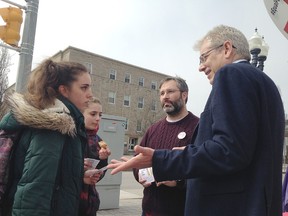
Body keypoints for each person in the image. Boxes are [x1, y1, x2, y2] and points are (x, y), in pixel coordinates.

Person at [108, 25, 285, 216]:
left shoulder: (231, 75)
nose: (200, 67)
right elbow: (243, 146)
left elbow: (229, 150)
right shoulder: (267, 84)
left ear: (227, 49)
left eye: (204, 57)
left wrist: (160, 159)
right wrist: (194, 150)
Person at [0, 59, 94, 216]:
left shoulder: (65, 124)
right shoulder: (53, 128)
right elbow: (34, 192)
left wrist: (79, 176)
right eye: (84, 88)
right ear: (64, 90)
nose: (90, 94)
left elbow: (54, 180)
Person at [133, 77, 199, 216]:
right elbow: (137, 163)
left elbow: (205, 168)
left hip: (182, 210)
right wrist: (144, 176)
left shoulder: (198, 127)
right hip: (150, 210)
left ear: (184, 94)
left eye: (170, 91)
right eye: (162, 93)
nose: (165, 97)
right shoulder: (153, 129)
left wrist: (178, 182)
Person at [79, 98, 111, 216]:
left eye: (100, 115)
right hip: (71, 203)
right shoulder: (71, 137)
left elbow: (99, 176)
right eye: (93, 114)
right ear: (81, 113)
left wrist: (103, 160)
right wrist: (79, 170)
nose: (98, 118)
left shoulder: (99, 141)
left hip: (90, 204)